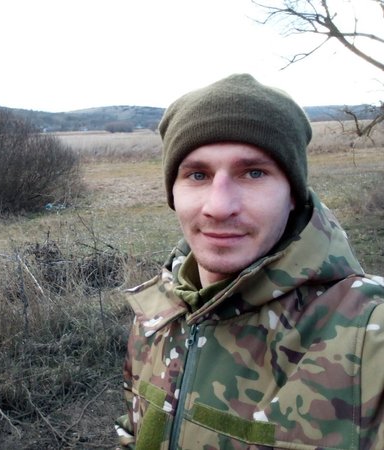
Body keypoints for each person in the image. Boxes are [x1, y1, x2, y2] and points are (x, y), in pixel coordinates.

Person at [115, 73, 384, 449]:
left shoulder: (367, 335)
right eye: (197, 175)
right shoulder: (155, 316)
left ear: (293, 193)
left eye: (254, 173)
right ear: (173, 193)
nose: (219, 206)